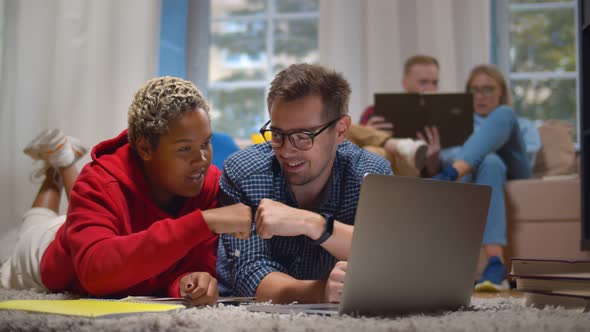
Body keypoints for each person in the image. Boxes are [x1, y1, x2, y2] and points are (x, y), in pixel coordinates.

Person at [0, 77, 252, 305]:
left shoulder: (207, 183)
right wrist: (202, 222)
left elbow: (190, 263)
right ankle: (57, 169)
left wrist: (190, 282)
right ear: (144, 148)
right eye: (185, 149)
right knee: (33, 224)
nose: (202, 159)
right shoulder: (98, 180)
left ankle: (62, 161)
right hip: (41, 252)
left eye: (206, 143)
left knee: (75, 216)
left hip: (87, 227)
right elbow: (95, 274)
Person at [216, 63, 392, 304]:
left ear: (340, 131)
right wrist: (321, 292)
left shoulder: (370, 175)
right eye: (277, 134)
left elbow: (390, 258)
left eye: (303, 136)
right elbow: (249, 273)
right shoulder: (244, 172)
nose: (287, 151)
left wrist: (312, 224)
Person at [432, 64, 541, 292]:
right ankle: (495, 263)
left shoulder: (519, 122)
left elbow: (528, 153)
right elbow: (445, 154)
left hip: (515, 170)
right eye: (475, 90)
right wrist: (481, 154)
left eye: (488, 89)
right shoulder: (458, 125)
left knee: (504, 115)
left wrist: (481, 146)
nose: (481, 96)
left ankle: (451, 175)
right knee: (490, 161)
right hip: (482, 171)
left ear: (501, 91)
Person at [354, 55, 442, 176]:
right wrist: (368, 131)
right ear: (405, 82)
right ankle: (397, 145)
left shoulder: (442, 117)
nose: (430, 88)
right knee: (372, 151)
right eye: (423, 82)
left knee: (373, 151)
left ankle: (397, 146)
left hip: (414, 176)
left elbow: (436, 176)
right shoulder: (373, 111)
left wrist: (433, 162)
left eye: (435, 82)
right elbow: (356, 154)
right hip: (382, 167)